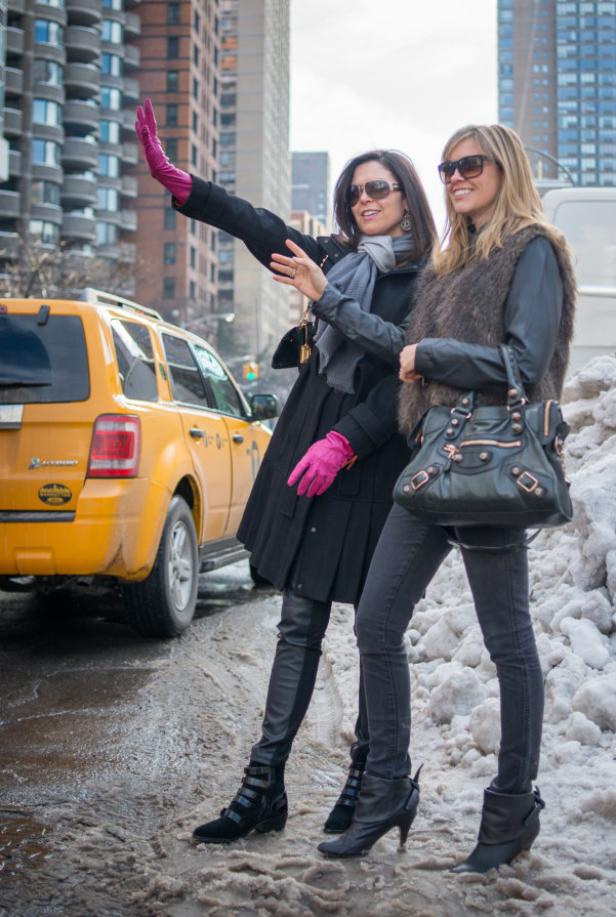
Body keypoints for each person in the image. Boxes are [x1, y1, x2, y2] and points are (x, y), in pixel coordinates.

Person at [134, 99, 437, 842]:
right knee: (297, 622)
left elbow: (408, 371)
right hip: (307, 444)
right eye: (355, 191)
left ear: (407, 198)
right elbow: (263, 227)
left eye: (380, 189)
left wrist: (347, 442)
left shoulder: (431, 280)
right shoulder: (334, 263)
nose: (365, 200)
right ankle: (261, 788)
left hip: (373, 459)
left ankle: (368, 777)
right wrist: (188, 190)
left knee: (374, 627)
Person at [318, 123, 576, 869]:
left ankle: (511, 807)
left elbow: (524, 361)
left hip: (490, 459)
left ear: (506, 168)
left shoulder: (532, 250)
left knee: (508, 643)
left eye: (471, 165)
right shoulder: (448, 265)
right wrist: (324, 300)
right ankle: (388, 788)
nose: (456, 177)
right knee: (375, 622)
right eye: (447, 168)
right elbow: (394, 343)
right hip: (433, 460)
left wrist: (431, 355)